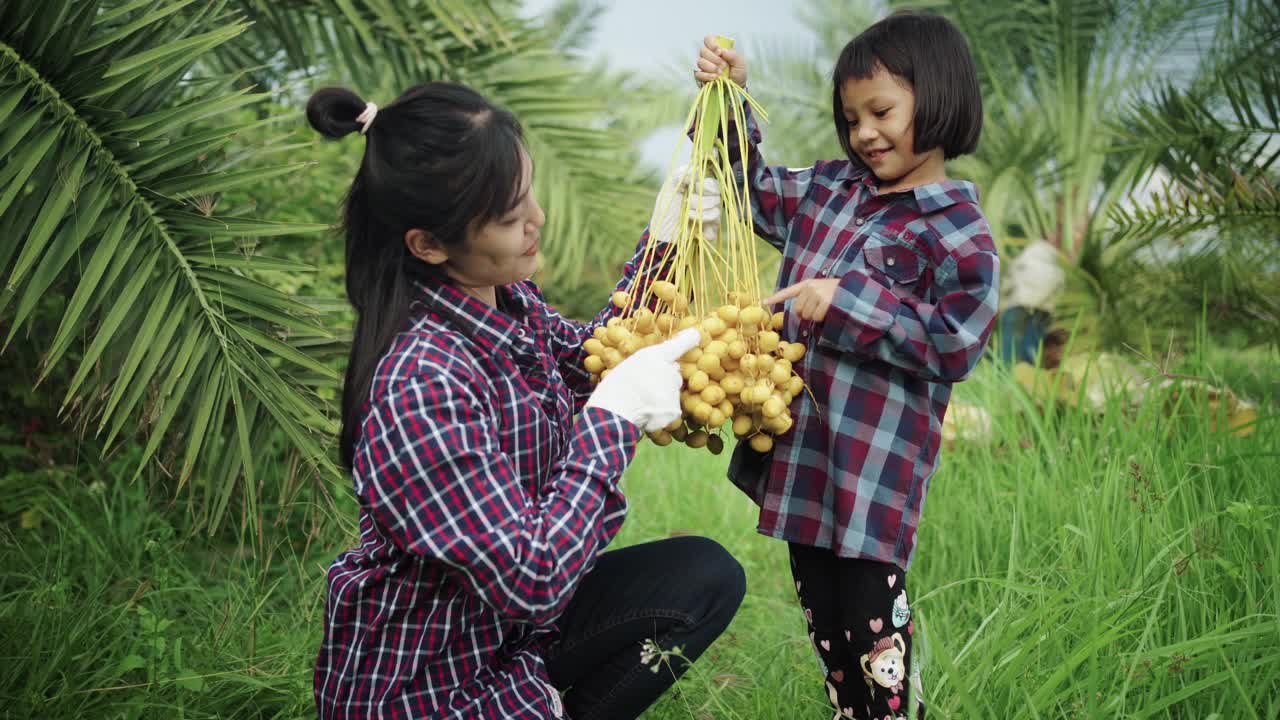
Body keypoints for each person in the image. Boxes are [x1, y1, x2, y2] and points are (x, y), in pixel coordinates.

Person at [307, 82, 745, 720]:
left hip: (505, 639)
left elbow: (602, 358)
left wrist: (670, 240)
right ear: (427, 244)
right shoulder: (420, 383)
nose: (537, 219)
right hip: (427, 683)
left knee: (703, 576)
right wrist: (612, 421)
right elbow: (532, 579)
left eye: (528, 192)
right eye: (510, 217)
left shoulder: (510, 305)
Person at [693, 11, 999, 719]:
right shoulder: (828, 189)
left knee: (873, 629)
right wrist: (731, 98)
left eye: (882, 111)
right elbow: (747, 185)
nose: (865, 132)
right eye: (852, 117)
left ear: (941, 97)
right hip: (803, 462)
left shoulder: (958, 233)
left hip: (872, 479)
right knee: (827, 628)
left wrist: (848, 302)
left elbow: (956, 345)